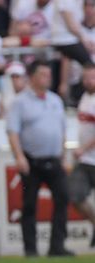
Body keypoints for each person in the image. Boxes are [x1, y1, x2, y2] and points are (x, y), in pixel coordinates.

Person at [6, 61, 73, 257]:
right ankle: (30, 249)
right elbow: (13, 132)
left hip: (54, 159)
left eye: (48, 74)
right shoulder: (20, 102)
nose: (48, 77)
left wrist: (64, 155)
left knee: (63, 198)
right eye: (43, 74)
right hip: (31, 160)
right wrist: (19, 156)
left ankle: (57, 246)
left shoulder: (55, 100)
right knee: (29, 205)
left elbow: (62, 130)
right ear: (33, 76)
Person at [70, 63, 95, 247]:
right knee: (74, 195)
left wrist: (83, 148)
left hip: (88, 154)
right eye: (86, 78)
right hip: (86, 159)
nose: (88, 81)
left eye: (92, 77)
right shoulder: (85, 97)